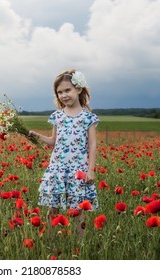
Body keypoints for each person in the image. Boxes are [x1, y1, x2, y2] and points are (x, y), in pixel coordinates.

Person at [29, 69, 99, 240]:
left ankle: (78, 245)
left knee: (78, 211)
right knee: (53, 209)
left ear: (79, 90)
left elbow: (92, 144)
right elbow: (53, 141)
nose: (63, 95)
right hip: (58, 170)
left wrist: (90, 170)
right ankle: (50, 242)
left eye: (67, 90)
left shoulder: (88, 118)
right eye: (59, 92)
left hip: (78, 171)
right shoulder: (57, 116)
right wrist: (37, 136)